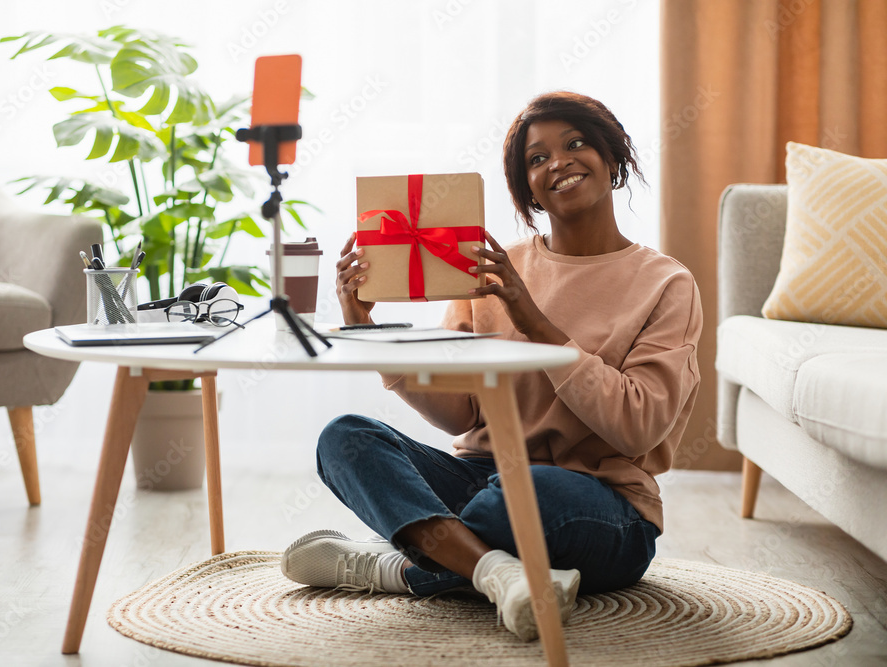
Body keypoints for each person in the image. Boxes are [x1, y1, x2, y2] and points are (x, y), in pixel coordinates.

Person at [280, 91, 703, 642]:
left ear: (613, 158)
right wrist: (364, 328)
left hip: (599, 505)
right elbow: (460, 416)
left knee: (531, 489)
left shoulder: (666, 284)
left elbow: (638, 426)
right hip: (485, 481)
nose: (559, 162)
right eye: (536, 158)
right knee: (346, 439)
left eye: (576, 143)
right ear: (526, 187)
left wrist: (535, 322)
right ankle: (496, 571)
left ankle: (391, 566)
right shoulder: (489, 271)